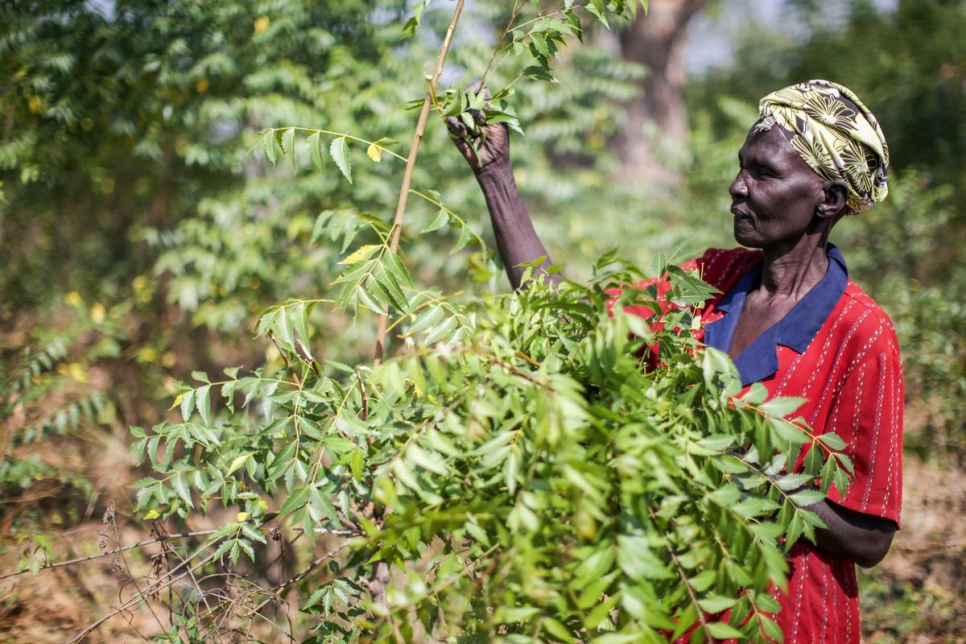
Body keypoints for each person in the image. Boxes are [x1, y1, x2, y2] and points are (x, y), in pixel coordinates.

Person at [448, 80, 903, 643]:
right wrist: (495, 176)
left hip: (786, 623)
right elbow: (568, 326)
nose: (737, 187)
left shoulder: (861, 333)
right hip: (674, 613)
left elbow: (869, 537)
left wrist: (750, 470)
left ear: (828, 200)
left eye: (763, 173)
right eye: (742, 167)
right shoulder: (709, 279)